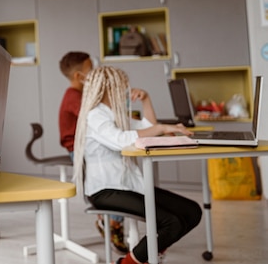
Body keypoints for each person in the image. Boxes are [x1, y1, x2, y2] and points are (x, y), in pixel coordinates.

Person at [72, 66, 202, 264]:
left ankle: (150, 254)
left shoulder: (114, 114)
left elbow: (147, 129)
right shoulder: (95, 115)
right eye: (122, 86)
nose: (126, 90)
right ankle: (129, 262)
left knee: (192, 212)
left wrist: (146, 99)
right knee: (171, 223)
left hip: (127, 185)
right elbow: (122, 140)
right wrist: (161, 128)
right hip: (106, 190)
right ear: (109, 88)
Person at [59, 52, 128, 253]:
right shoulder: (74, 97)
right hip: (77, 148)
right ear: (78, 76)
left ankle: (110, 220)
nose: (96, 72)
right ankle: (112, 222)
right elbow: (95, 119)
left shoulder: (81, 95)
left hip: (86, 145)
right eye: (91, 69)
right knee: (112, 172)